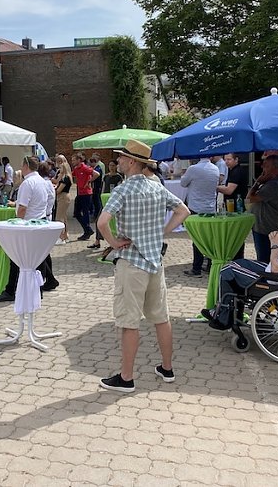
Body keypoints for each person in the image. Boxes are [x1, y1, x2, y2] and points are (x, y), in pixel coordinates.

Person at [97, 140, 190, 392]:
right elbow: (183, 211)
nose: (118, 160)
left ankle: (126, 377)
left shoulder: (123, 190)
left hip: (132, 262)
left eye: (122, 157)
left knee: (129, 322)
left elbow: (102, 222)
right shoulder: (156, 187)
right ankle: (167, 368)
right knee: (161, 317)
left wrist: (115, 243)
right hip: (154, 261)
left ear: (132, 162)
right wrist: (162, 232)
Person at [202, 205, 278, 329]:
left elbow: (276, 269)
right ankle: (230, 313)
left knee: (227, 270)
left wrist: (275, 245)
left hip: (276, 279)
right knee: (239, 263)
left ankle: (223, 317)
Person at [0, 156, 60, 302]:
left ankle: (11, 290)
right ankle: (37, 290)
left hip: (27, 225)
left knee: (17, 258)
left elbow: (22, 208)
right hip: (39, 221)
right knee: (38, 259)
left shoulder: (27, 183)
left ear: (25, 166)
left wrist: (17, 223)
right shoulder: (42, 181)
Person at [180, 157, 221, 277]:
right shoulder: (216, 169)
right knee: (209, 238)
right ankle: (209, 265)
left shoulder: (193, 169)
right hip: (210, 208)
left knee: (197, 239)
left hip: (196, 207)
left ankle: (196, 268)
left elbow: (183, 183)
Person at [246, 155, 278, 262]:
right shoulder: (270, 182)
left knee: (264, 259)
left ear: (275, 168)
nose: (263, 168)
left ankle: (266, 278)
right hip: (262, 225)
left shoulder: (274, 185)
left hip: (266, 227)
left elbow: (249, 198)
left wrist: (257, 182)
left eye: (266, 166)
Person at [71, 152, 98, 240]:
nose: (72, 162)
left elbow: (97, 174)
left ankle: (87, 231)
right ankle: (87, 229)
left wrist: (89, 181)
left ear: (79, 160)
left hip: (86, 193)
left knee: (85, 212)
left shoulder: (85, 167)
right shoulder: (76, 168)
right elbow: (71, 175)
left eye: (74, 160)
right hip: (80, 193)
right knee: (76, 213)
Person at [53, 154, 73, 244]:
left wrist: (53, 190)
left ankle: (60, 238)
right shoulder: (64, 176)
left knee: (59, 217)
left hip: (63, 197)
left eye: (61, 169)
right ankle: (65, 235)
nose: (59, 171)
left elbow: (59, 190)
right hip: (64, 196)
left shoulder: (66, 178)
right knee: (64, 217)